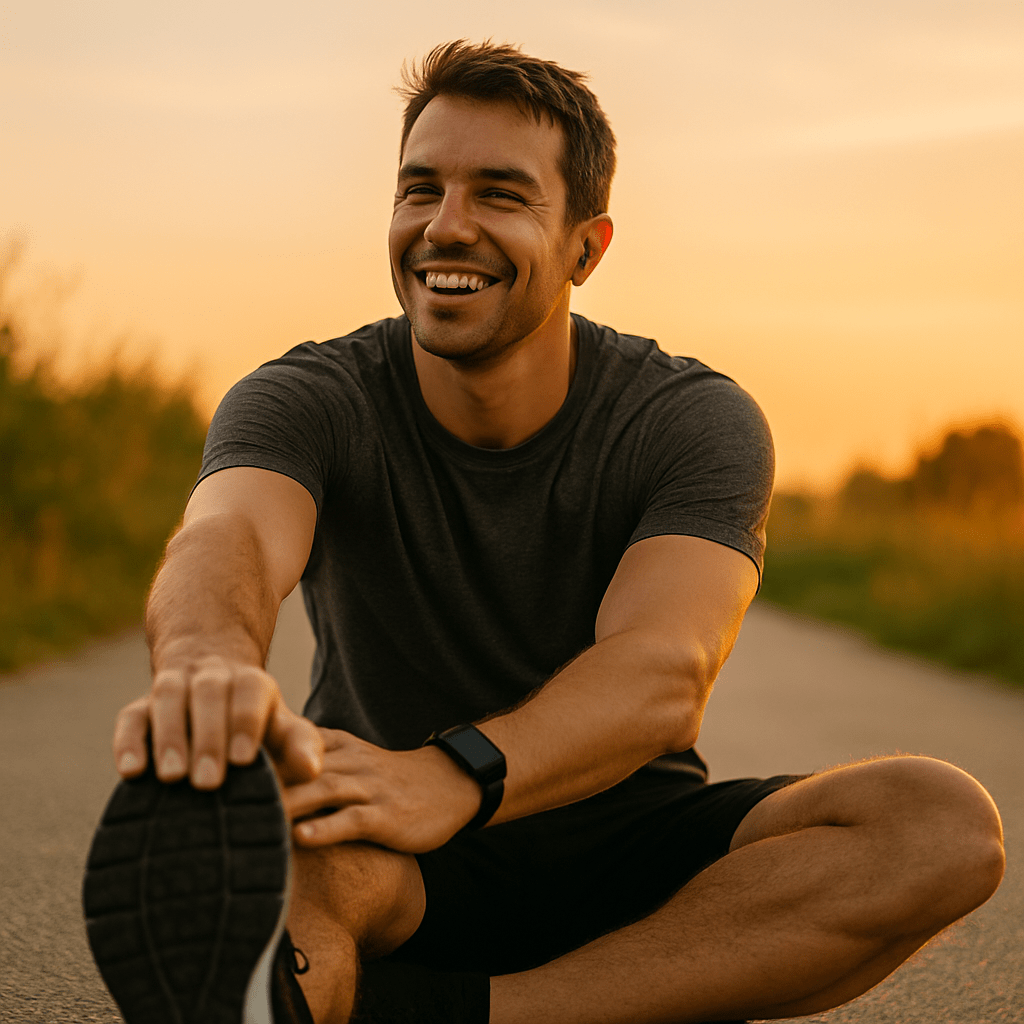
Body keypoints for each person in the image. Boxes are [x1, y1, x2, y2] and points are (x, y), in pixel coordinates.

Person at [84, 40, 1004, 1024]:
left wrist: (455, 775)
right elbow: (227, 535)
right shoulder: (307, 396)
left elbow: (662, 668)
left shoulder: (688, 418)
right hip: (391, 847)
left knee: (938, 821)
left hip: (633, 849)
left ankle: (471, 1013)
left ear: (585, 248)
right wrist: (205, 664)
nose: (446, 226)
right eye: (420, 189)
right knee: (279, 872)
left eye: (499, 195)